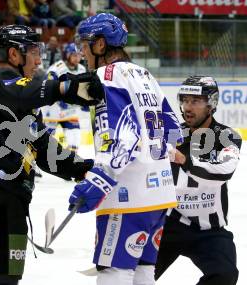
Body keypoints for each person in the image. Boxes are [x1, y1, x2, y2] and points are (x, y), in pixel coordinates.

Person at [0, 24, 101, 285]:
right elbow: (21, 91)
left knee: (8, 277)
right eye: (33, 51)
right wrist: (65, 88)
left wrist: (82, 169)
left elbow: (43, 148)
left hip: (9, 199)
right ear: (13, 55)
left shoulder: (24, 104)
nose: (39, 59)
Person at [68, 13, 183, 285]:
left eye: (84, 46)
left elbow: (122, 138)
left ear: (99, 45)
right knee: (143, 271)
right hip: (159, 193)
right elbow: (174, 129)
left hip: (127, 195)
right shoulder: (144, 75)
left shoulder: (105, 77)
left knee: (114, 272)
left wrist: (99, 180)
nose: (82, 53)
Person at [154, 75, 241, 285]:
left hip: (209, 230)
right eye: (184, 100)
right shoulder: (171, 134)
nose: (187, 107)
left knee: (224, 275)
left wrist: (185, 160)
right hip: (170, 224)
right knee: (135, 275)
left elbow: (224, 170)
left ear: (211, 104)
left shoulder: (227, 136)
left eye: (195, 101)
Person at [41, 42, 87, 152]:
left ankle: (70, 162)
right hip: (52, 109)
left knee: (75, 138)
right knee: (46, 140)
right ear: (67, 55)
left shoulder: (82, 69)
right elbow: (47, 87)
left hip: (70, 110)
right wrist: (59, 99)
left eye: (79, 55)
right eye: (74, 55)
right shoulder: (56, 68)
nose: (77, 58)